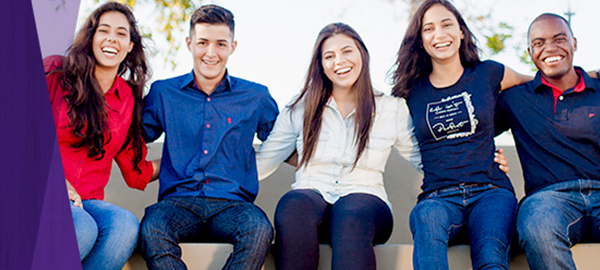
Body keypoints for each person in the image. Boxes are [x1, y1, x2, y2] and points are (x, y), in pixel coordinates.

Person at [256, 22, 422, 270]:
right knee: (293, 206)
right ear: (321, 65)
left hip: (366, 206)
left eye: (347, 51)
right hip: (311, 200)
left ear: (362, 54)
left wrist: (479, 162)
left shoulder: (391, 108)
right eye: (329, 56)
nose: (339, 61)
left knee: (350, 214)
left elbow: (426, 160)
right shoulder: (300, 107)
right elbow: (264, 160)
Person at [389, 0, 532, 269]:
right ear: (420, 40)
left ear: (461, 32)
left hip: (491, 191)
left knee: (490, 256)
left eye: (446, 24)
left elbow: (538, 84)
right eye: (428, 29)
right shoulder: (410, 91)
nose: (439, 34)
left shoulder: (489, 73)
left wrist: (590, 75)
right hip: (438, 197)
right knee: (426, 220)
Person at [139, 4, 279, 270]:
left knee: (259, 229)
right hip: (178, 203)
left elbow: (286, 144)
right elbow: (129, 138)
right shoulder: (163, 93)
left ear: (233, 46)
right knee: (152, 227)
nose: (211, 53)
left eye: (221, 44)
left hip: (233, 205)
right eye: (202, 42)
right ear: (189, 43)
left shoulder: (256, 97)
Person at [44, 2, 159, 270]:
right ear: (92, 38)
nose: (111, 38)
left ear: (130, 45)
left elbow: (137, 171)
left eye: (121, 33)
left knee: (125, 226)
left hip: (86, 201)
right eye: (104, 30)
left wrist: (185, 155)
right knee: (81, 228)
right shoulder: (54, 72)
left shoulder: (128, 99)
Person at [495, 13, 600, 270]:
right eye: (539, 43)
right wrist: (490, 158)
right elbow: (473, 132)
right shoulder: (515, 99)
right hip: (548, 200)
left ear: (574, 43)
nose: (550, 48)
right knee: (537, 227)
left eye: (559, 39)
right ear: (530, 52)